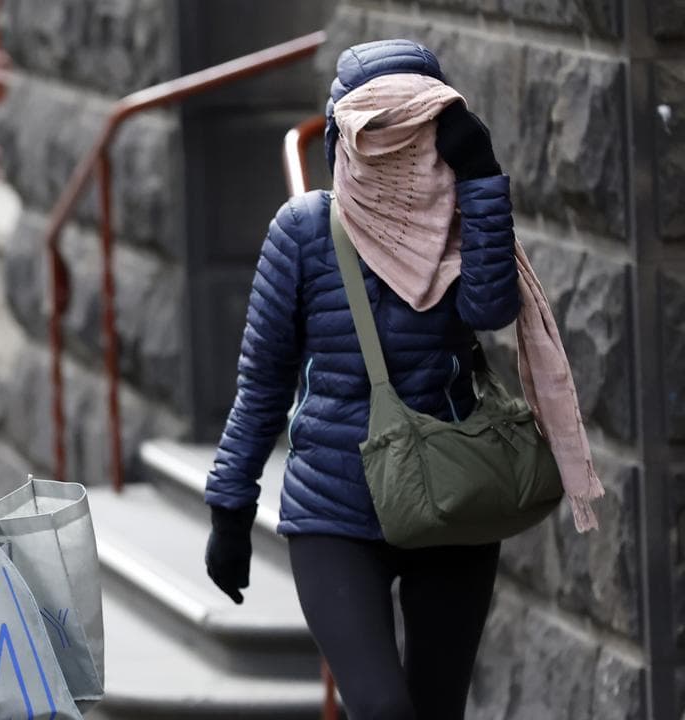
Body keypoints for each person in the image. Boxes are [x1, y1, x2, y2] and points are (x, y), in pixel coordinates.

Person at [201, 39, 592, 718]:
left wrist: (481, 179)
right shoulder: (302, 232)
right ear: (340, 138)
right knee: (382, 709)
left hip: (450, 497)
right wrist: (230, 507)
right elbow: (262, 381)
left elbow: (491, 308)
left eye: (415, 133)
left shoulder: (462, 223)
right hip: (335, 508)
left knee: (437, 708)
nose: (395, 153)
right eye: (377, 133)